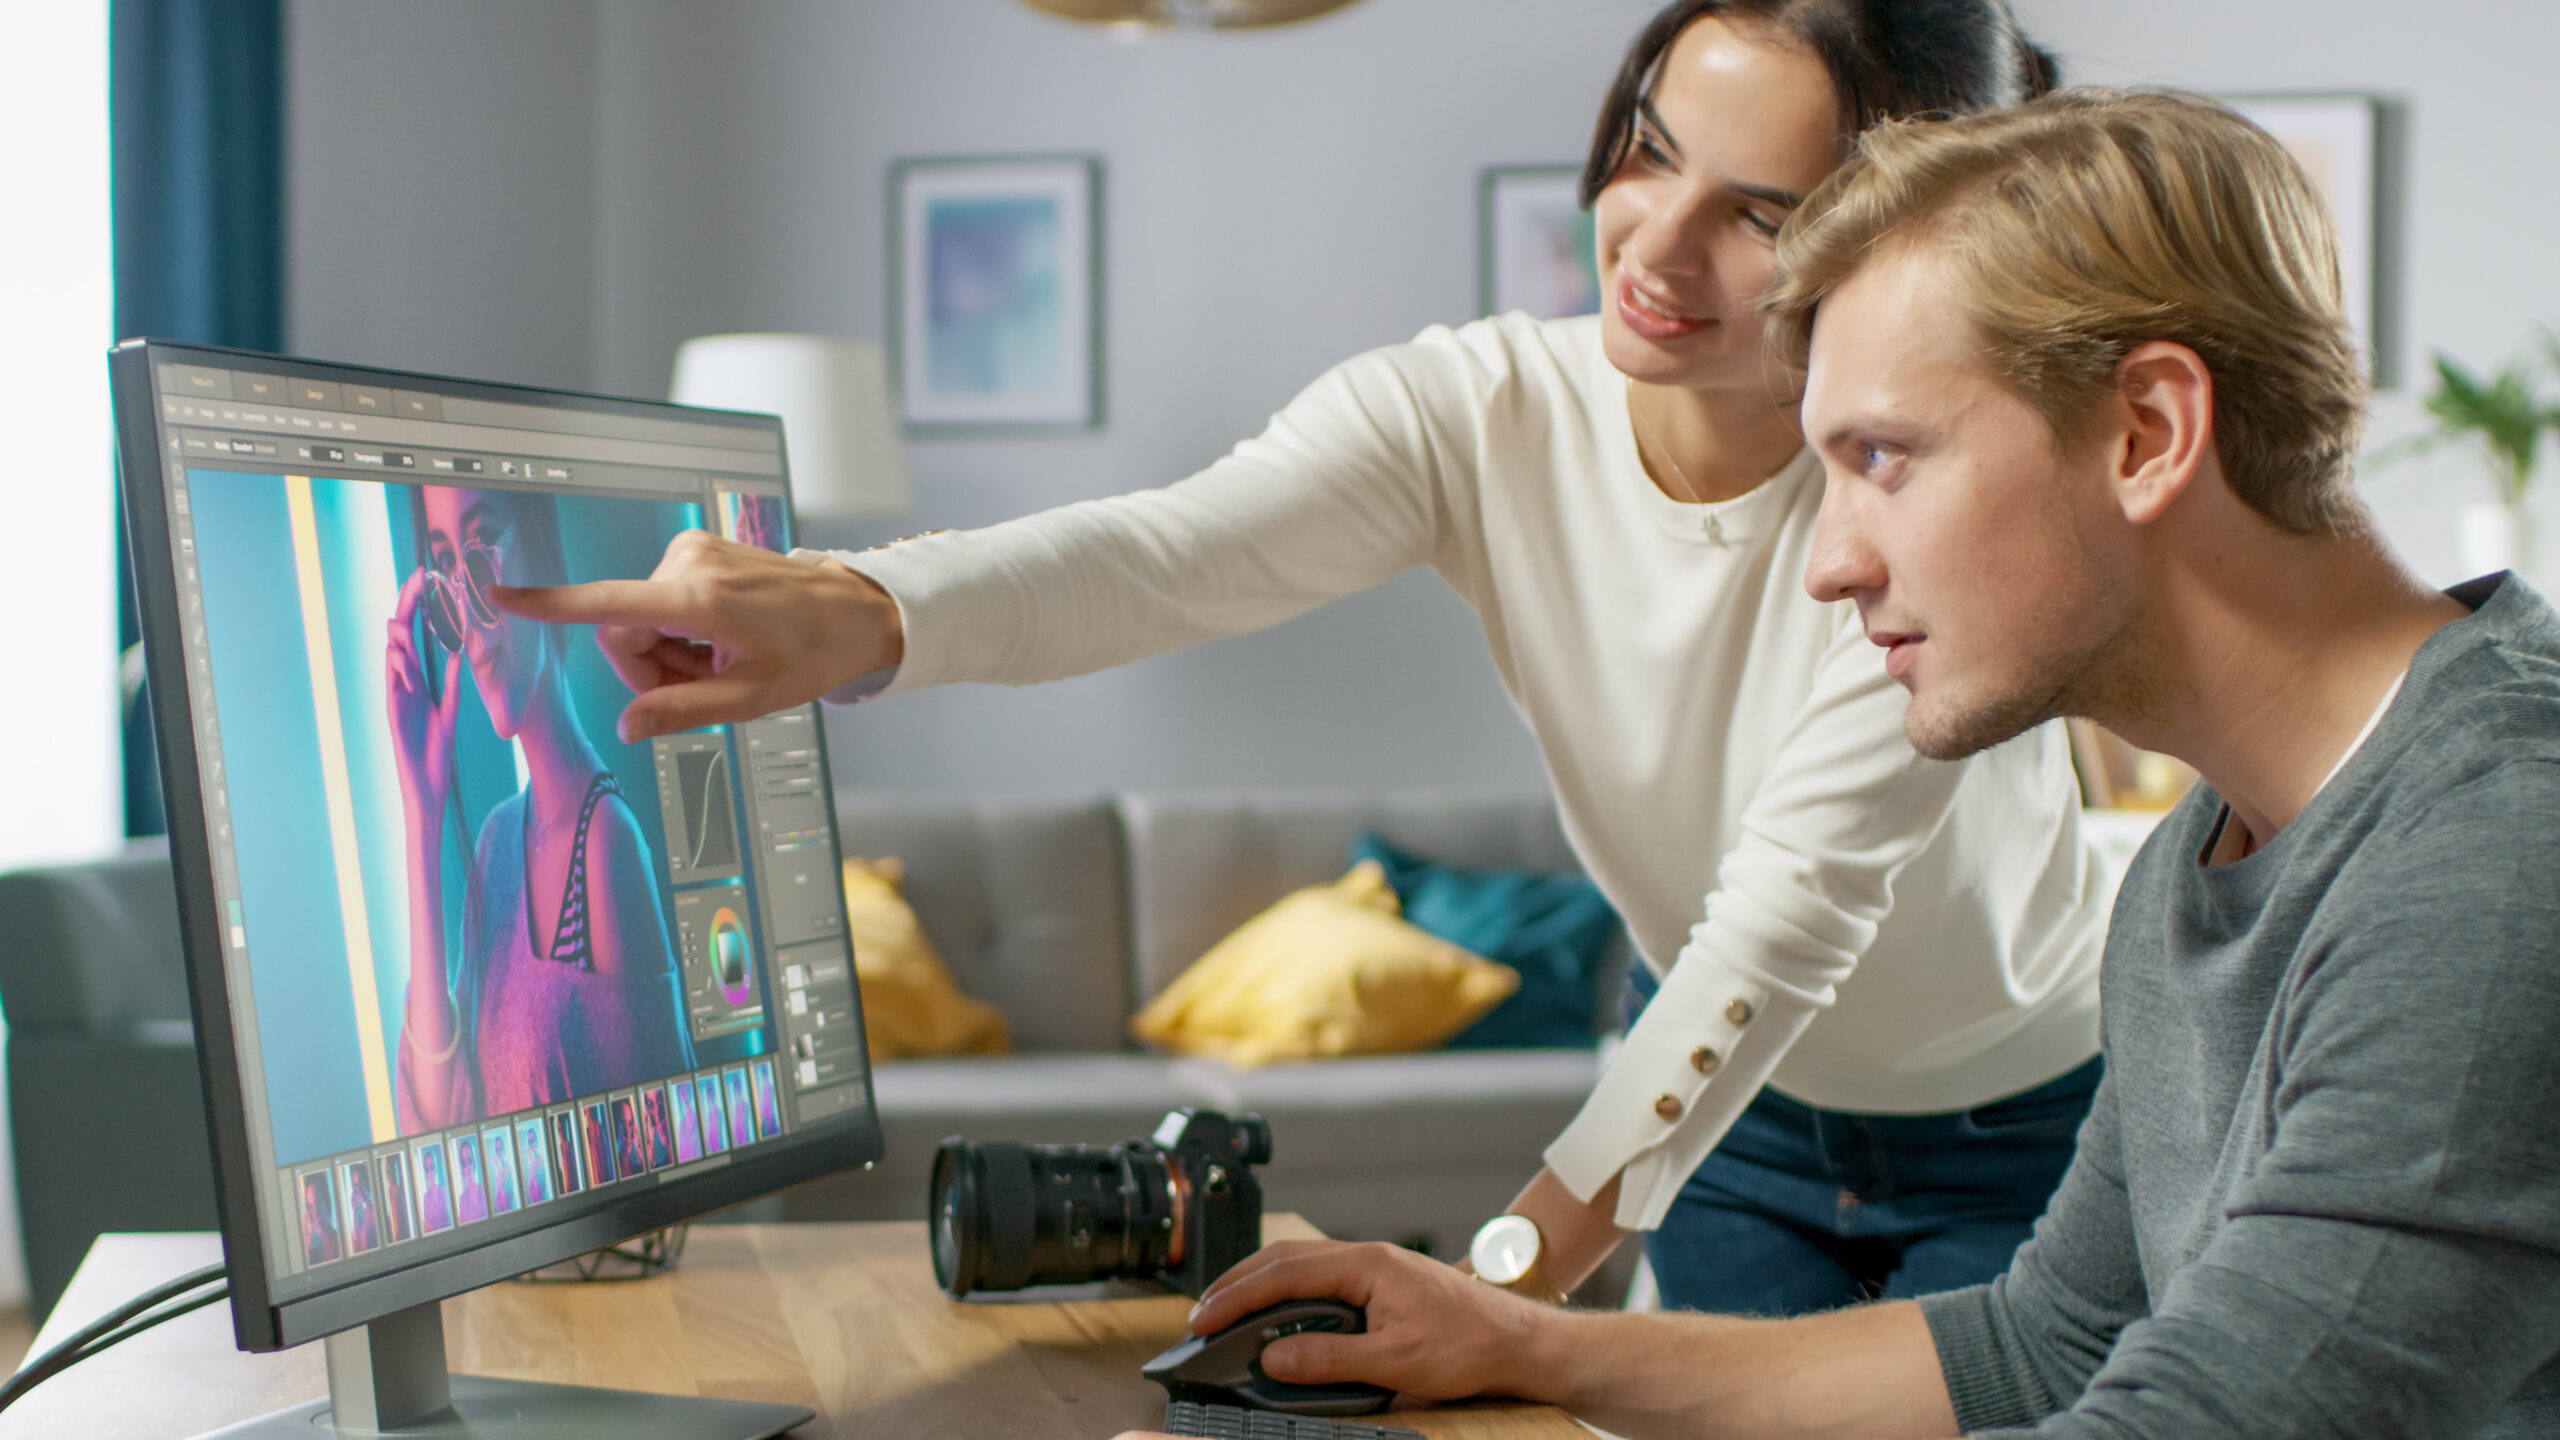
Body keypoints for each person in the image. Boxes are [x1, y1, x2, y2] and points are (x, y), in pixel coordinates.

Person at [502, 0, 2113, 1315]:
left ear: (1899, 236)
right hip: (1736, 1125)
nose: (1655, 244)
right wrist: (860, 604)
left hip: (2019, 1126)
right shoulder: (1480, 409)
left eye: (1757, 216)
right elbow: (1171, 550)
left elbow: (1784, 922)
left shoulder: (1926, 495)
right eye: (1648, 152)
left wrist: (1498, 1285)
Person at [1117, 88, 2560, 1440]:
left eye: (1885, 459)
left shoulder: (2498, 855)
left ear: (2148, 432)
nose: (1831, 565)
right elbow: (2045, 1346)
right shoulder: (2202, 860)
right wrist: (1515, 1336)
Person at [386, 485, 697, 1133]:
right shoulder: (498, 841)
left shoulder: (606, 844)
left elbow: (658, 1155)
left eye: (481, 549)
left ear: (544, 556)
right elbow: (440, 1123)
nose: (467, 618)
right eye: (446, 565)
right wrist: (422, 817)